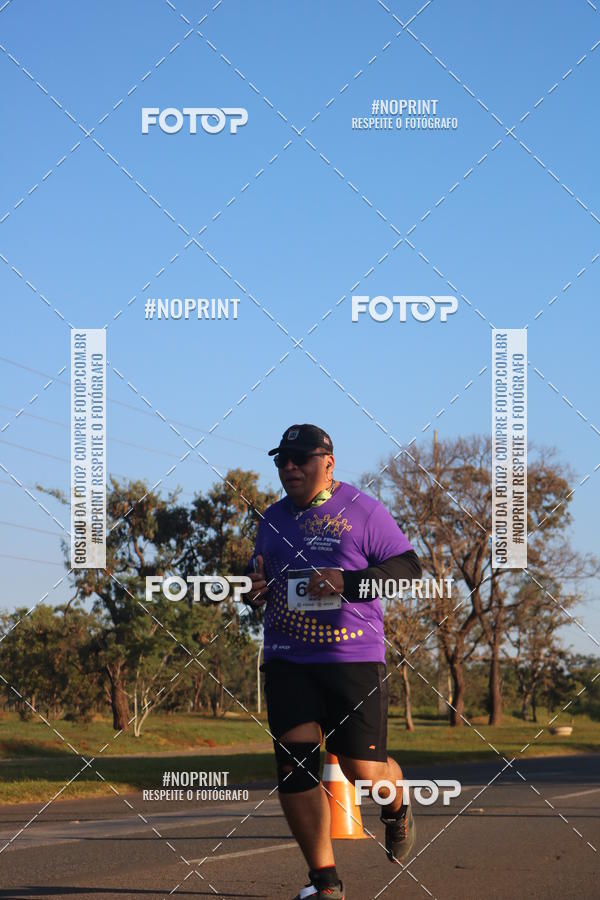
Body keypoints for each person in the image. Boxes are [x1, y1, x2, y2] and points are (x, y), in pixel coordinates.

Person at [245, 424, 423, 899]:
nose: (289, 467)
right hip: (287, 658)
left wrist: (348, 582)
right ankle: (325, 881)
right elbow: (257, 575)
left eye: (300, 459)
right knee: (294, 765)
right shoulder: (271, 519)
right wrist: (252, 590)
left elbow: (408, 569)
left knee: (363, 771)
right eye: (282, 460)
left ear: (328, 463)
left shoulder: (363, 509)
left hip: (351, 657)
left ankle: (396, 804)